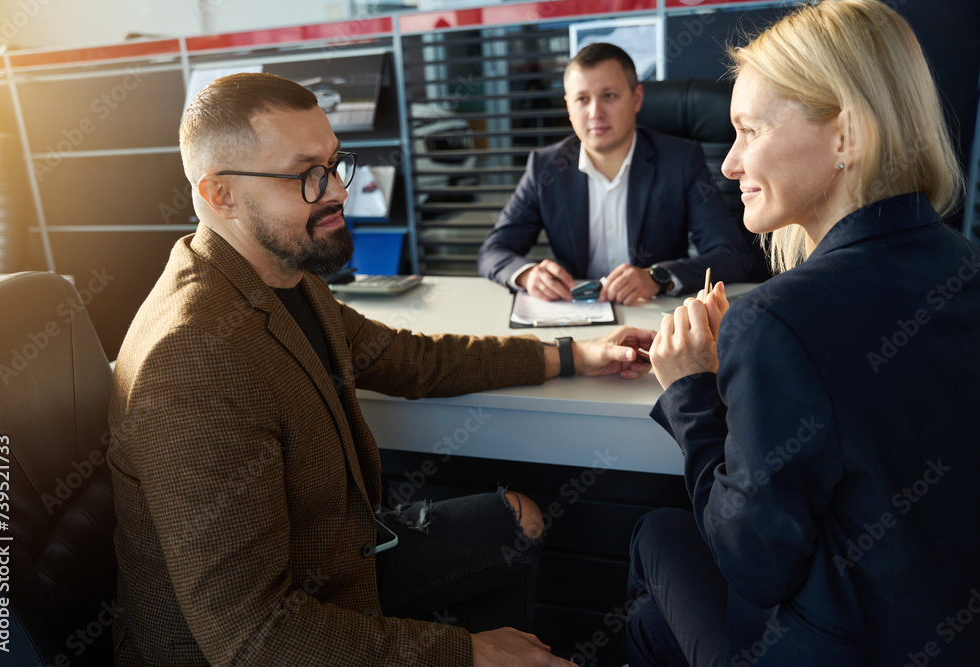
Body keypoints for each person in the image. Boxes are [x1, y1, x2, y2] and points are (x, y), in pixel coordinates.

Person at [106, 72, 653, 666]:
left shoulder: (286, 278)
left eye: (336, 163)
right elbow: (254, 640)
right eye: (307, 175)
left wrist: (575, 353)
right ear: (221, 196)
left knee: (515, 520)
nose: (340, 191)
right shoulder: (193, 357)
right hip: (259, 637)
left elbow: (412, 360)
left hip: (335, 561)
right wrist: (465, 654)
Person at [626, 1, 980, 665]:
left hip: (846, 646)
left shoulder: (778, 318)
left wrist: (693, 390)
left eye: (748, 131)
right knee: (653, 621)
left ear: (844, 135)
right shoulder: (964, 266)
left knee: (654, 536)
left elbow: (756, 566)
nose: (729, 164)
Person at [476, 42, 752, 304]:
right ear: (568, 106)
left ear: (636, 98)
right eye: (582, 99)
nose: (595, 112)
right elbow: (493, 251)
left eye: (609, 96)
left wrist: (659, 277)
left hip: (652, 315)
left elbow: (731, 255)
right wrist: (527, 274)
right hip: (577, 316)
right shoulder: (545, 168)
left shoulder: (680, 160)